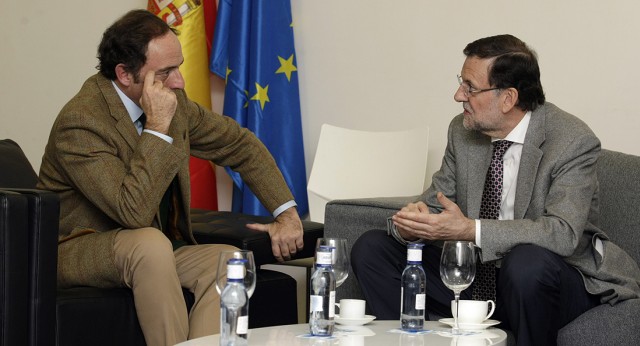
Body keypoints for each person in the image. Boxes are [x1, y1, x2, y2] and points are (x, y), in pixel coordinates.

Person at [351, 34, 640, 346]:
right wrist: (413, 224)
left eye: (470, 88)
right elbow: (438, 202)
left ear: (508, 98)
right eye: (460, 82)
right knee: (373, 248)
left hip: (554, 280)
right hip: (480, 277)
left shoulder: (571, 140)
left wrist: (470, 229)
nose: (458, 95)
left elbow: (562, 233)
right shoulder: (463, 133)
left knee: (526, 262)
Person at [37, 9, 304, 346]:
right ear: (124, 74)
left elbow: (240, 144)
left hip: (155, 248)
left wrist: (286, 213)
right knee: (149, 244)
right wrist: (158, 128)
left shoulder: (173, 101)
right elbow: (131, 213)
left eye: (178, 67)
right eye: (166, 73)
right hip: (82, 249)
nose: (179, 82)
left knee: (231, 261)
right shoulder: (81, 122)